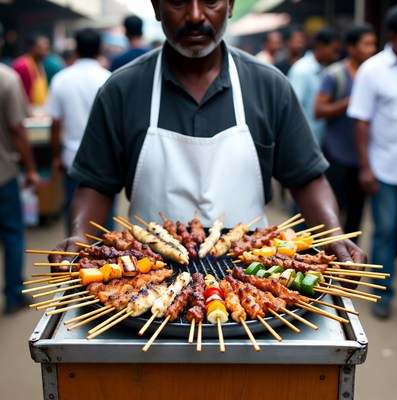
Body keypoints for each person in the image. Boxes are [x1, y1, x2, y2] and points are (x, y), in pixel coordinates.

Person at [50, 0, 366, 277]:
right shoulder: (121, 89)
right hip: (143, 280)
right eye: (178, 1)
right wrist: (80, 235)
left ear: (230, 4)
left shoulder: (269, 86)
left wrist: (333, 234)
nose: (196, 14)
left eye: (211, 0)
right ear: (156, 5)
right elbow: (95, 184)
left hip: (254, 283)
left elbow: (307, 178)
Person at [347, 5, 397, 319]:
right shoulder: (373, 70)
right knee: (385, 229)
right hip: (383, 167)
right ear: (393, 36)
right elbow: (361, 121)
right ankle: (382, 293)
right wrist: (366, 167)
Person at [46, 28, 114, 234]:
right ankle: (108, 263)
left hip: (72, 157)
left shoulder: (62, 79)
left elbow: (55, 123)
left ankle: (74, 262)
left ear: (75, 48)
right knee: (105, 218)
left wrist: (55, 157)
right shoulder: (110, 79)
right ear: (100, 48)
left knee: (74, 213)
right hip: (106, 160)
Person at [314, 24, 377, 240]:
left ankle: (350, 267)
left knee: (356, 216)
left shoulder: (374, 74)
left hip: (362, 158)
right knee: (334, 212)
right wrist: (351, 102)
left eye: (373, 44)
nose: (371, 49)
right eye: (366, 44)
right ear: (350, 47)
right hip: (337, 154)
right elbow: (319, 110)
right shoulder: (335, 75)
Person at [0, 22, 40, 313]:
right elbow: (18, 130)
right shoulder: (7, 79)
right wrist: (30, 169)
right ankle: (14, 294)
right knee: (12, 233)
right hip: (3, 173)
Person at [288, 27, 341, 146]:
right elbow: (293, 110)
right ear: (321, 45)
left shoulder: (324, 70)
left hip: (316, 141)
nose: (335, 56)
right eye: (333, 50)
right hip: (303, 143)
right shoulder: (302, 70)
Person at [12, 32, 50, 108]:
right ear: (32, 48)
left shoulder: (39, 64)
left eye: (48, 47)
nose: (46, 50)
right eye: (42, 47)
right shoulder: (22, 66)